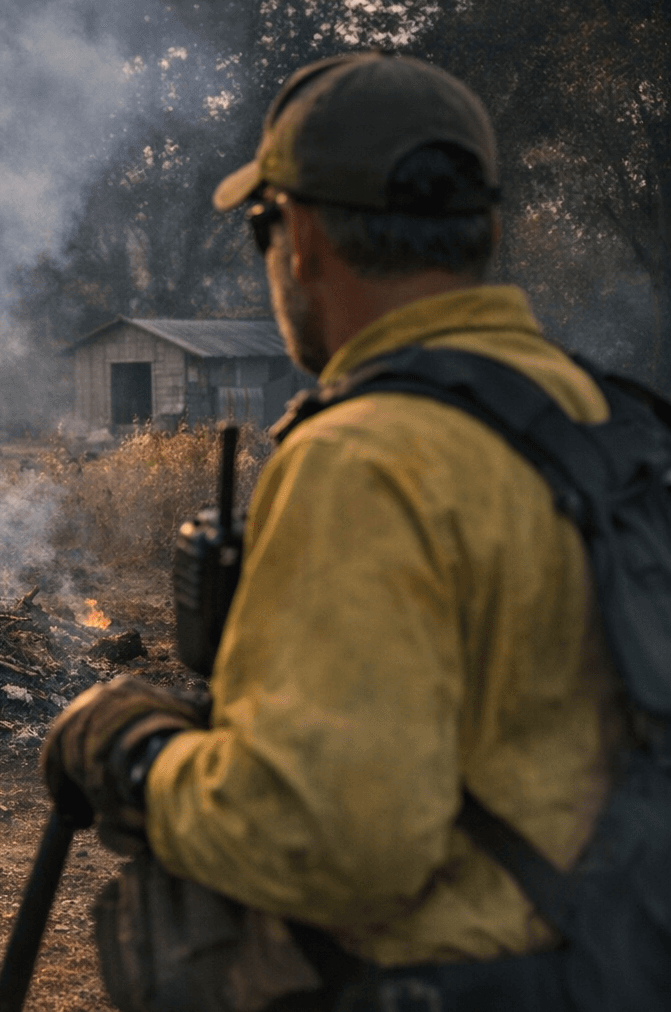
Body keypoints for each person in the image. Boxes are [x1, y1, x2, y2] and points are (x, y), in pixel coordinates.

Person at [42, 52, 624, 1010]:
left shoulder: (366, 454)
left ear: (299, 234)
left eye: (263, 228)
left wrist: (132, 753)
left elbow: (325, 839)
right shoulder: (604, 418)